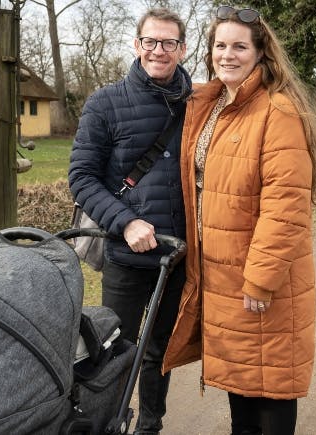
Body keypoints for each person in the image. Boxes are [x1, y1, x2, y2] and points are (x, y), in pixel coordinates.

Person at [163, 4, 316, 435]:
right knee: (241, 387)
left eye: (239, 46)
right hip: (220, 276)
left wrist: (261, 278)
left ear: (260, 53)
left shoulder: (277, 110)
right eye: (220, 45)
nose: (227, 55)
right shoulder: (212, 104)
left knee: (270, 386)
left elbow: (286, 204)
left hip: (260, 281)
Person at [68, 8, 192, 434]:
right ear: (137, 45)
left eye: (169, 43)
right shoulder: (105, 102)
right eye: (151, 42)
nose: (159, 50)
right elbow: (81, 178)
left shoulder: (198, 104)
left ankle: (150, 426)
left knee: (159, 350)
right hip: (126, 254)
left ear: (183, 48)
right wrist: (124, 222)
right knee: (115, 349)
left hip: (178, 256)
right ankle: (106, 424)